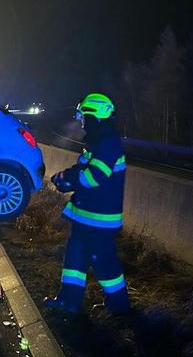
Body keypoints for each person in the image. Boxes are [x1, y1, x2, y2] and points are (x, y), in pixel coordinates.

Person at [44, 93, 130, 314]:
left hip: (100, 221)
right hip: (86, 217)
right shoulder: (97, 143)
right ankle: (68, 302)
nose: (80, 119)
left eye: (83, 115)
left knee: (104, 265)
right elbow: (80, 170)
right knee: (74, 261)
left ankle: (120, 308)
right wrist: (64, 178)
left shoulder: (108, 145)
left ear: (93, 116)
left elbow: (92, 178)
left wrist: (68, 179)